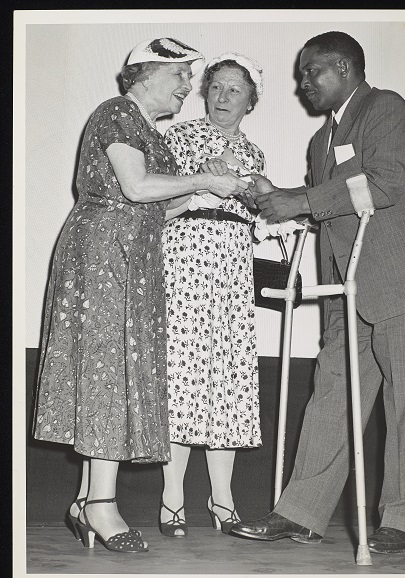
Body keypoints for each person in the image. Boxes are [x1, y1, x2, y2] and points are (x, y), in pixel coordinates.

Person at [230, 31, 405, 553]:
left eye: (311, 71)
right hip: (348, 290)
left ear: (344, 66)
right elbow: (331, 211)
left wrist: (302, 200)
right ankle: (300, 514)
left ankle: (403, 520)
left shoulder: (384, 108)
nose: (303, 82)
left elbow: (388, 181)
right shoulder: (319, 143)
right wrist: (281, 202)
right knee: (331, 395)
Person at [33, 37, 249, 553]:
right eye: (179, 77)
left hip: (131, 255)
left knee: (116, 371)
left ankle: (87, 498)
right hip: (104, 252)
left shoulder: (151, 132)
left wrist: (204, 188)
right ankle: (100, 505)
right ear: (146, 75)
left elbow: (160, 206)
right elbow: (133, 187)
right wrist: (201, 179)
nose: (187, 88)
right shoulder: (117, 113)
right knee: (108, 370)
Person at [159, 53, 265, 536]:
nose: (223, 98)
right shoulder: (177, 137)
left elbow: (258, 212)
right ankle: (171, 498)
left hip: (232, 268)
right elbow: (157, 203)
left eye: (234, 90)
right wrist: (202, 174)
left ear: (250, 100)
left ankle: (222, 499)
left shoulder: (255, 154)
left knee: (228, 377)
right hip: (185, 260)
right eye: (216, 87)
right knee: (181, 375)